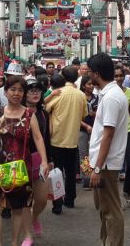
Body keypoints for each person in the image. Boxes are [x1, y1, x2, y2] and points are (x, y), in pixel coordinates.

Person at [0, 75, 51, 246]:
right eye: (13, 89)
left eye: (20, 90)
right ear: (6, 92)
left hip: (20, 168)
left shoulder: (29, 114)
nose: (16, 93)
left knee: (18, 209)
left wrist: (45, 162)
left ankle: (15, 242)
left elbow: (39, 139)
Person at [87, 53, 129, 246]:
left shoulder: (111, 97)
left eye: (89, 72)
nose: (88, 76)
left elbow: (108, 134)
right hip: (104, 162)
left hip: (106, 164)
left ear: (96, 73)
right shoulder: (110, 94)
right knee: (105, 208)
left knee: (111, 210)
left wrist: (97, 167)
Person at [46, 66, 88, 214]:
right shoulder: (80, 95)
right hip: (72, 138)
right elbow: (84, 114)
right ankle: (70, 199)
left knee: (57, 172)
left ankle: (57, 203)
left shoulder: (58, 93)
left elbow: (46, 108)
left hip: (56, 138)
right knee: (70, 171)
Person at [25, 76, 51, 234]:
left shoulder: (43, 113)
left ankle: (35, 217)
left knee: (41, 199)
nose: (35, 93)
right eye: (31, 90)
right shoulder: (18, 112)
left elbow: (47, 138)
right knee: (25, 200)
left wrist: (49, 160)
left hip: (39, 159)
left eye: (38, 90)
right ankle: (27, 235)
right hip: (21, 160)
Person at [114, 64, 130, 209]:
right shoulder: (108, 92)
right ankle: (114, 198)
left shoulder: (129, 92)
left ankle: (128, 191)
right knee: (114, 167)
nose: (119, 78)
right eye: (116, 76)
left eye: (121, 76)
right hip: (113, 133)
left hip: (128, 130)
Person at [78, 76, 98, 188]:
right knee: (84, 155)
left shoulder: (97, 98)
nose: (91, 86)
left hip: (95, 130)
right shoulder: (79, 98)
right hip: (82, 129)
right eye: (88, 84)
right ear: (83, 85)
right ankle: (86, 179)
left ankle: (95, 176)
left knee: (94, 153)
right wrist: (86, 126)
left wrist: (96, 114)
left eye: (92, 84)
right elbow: (75, 116)